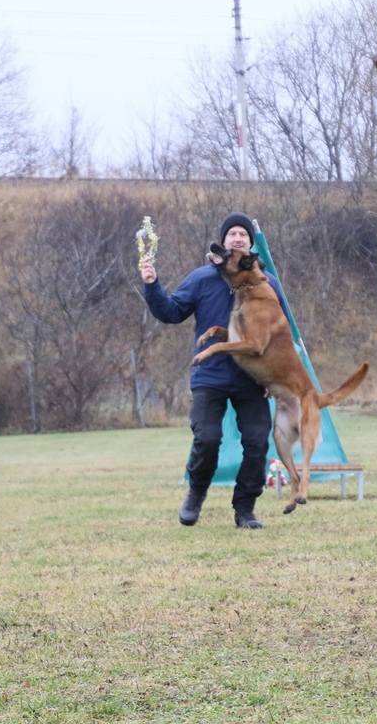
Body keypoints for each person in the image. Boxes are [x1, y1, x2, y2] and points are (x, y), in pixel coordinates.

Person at [140, 213, 290, 530]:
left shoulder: (267, 282)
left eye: (243, 234)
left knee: (257, 443)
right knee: (207, 439)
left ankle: (245, 509)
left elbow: (280, 332)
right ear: (223, 241)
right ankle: (195, 496)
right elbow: (171, 312)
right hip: (210, 376)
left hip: (252, 380)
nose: (237, 238)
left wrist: (274, 375)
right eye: (232, 233)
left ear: (251, 243)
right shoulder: (202, 279)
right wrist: (152, 285)